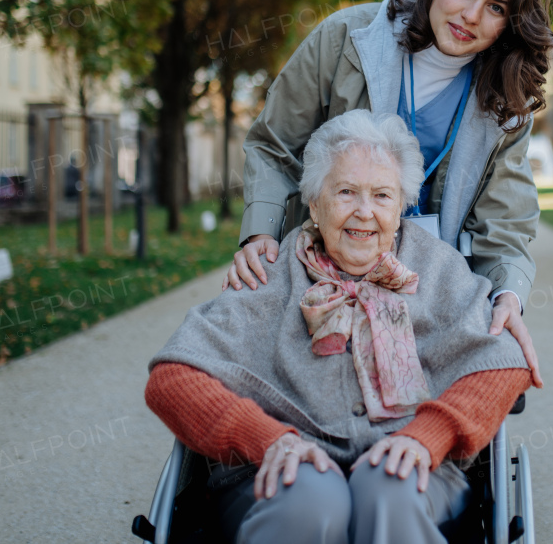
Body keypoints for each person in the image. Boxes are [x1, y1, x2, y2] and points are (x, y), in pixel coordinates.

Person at [146, 110, 532, 544]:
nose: (364, 212)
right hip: (279, 467)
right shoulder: (268, 275)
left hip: (411, 461)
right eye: (346, 191)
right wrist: (266, 438)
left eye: (382, 196)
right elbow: (172, 379)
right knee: (308, 498)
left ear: (403, 203)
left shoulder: (439, 268)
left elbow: (501, 363)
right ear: (314, 203)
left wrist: (428, 436)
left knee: (390, 487)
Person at [226, 0, 553, 386]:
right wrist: (260, 233)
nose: (471, 14)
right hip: (323, 265)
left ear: (511, 23)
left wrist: (508, 295)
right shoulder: (346, 39)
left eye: (496, 7)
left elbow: (505, 223)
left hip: (429, 288)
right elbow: (274, 144)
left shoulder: (508, 104)